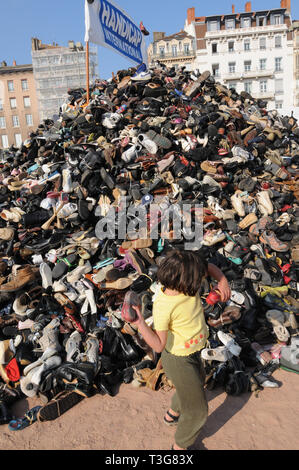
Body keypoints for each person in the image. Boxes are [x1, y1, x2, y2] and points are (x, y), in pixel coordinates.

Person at [131, 249, 231, 450]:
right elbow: (158, 345)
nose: (202, 280)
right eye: (199, 278)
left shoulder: (183, 282)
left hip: (193, 349)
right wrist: (140, 323)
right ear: (188, 281)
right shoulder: (164, 306)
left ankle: (172, 415)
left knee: (194, 384)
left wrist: (222, 281)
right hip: (177, 359)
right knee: (198, 409)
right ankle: (179, 447)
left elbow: (209, 268)